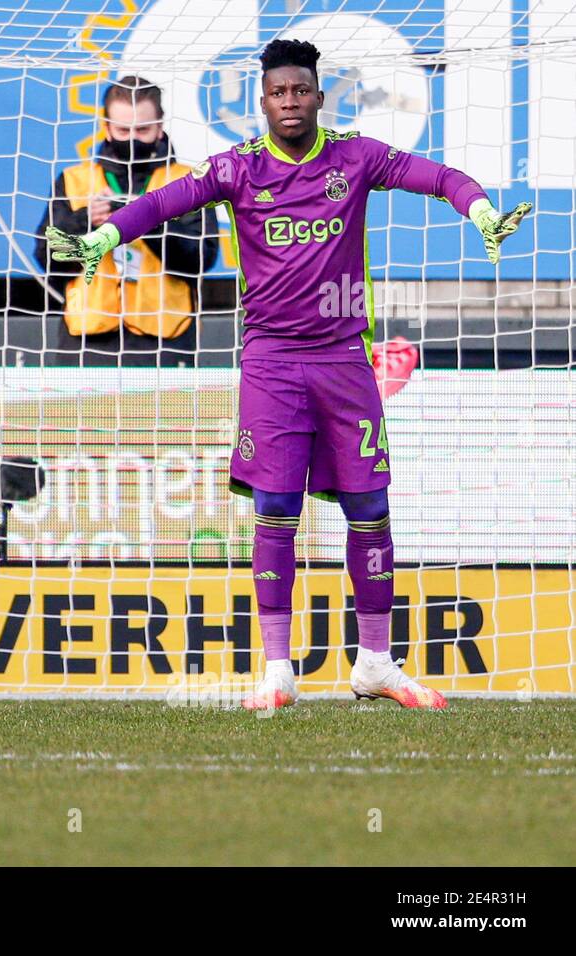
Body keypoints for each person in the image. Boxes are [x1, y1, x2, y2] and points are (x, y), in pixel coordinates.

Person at [45, 38, 530, 710]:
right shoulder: (237, 168)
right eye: (278, 93)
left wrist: (478, 209)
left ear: (318, 95)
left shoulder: (354, 156)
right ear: (263, 99)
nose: (290, 102)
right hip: (271, 362)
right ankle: (277, 671)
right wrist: (103, 237)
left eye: (301, 91)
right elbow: (159, 205)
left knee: (371, 508)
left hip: (343, 359)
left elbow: (441, 177)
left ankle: (376, 665)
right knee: (275, 509)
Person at [34, 76, 219, 360]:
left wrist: (147, 220)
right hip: (87, 336)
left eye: (143, 130)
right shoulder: (74, 181)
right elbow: (45, 256)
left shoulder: (189, 181)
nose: (132, 139)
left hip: (166, 334)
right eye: (123, 130)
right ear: (106, 129)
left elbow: (202, 259)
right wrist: (84, 221)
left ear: (160, 128)